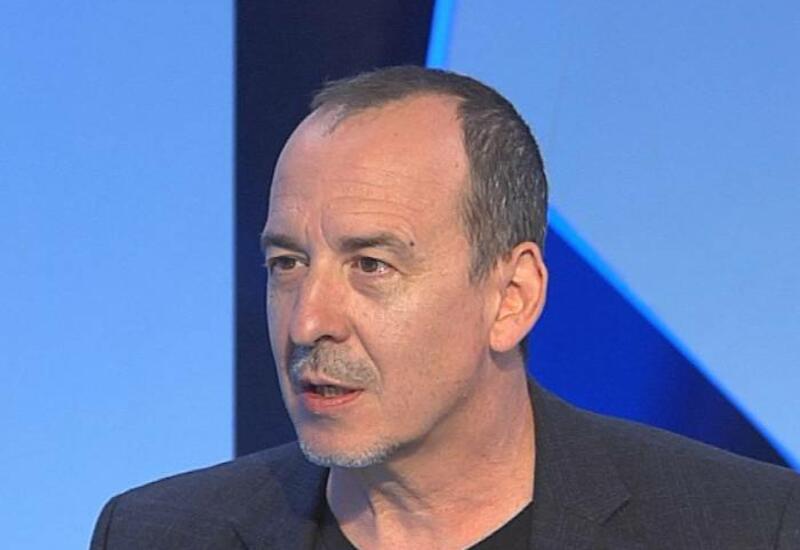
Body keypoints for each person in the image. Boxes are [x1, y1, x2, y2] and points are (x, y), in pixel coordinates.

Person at [91, 66, 800, 549]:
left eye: (371, 265)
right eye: (288, 264)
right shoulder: (159, 533)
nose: (308, 322)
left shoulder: (742, 528)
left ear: (512, 297)